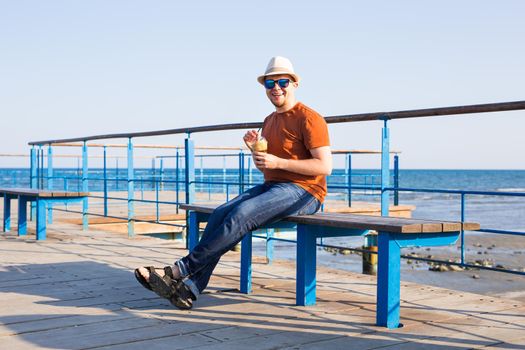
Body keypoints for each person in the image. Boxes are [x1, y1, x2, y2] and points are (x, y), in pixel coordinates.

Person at [135, 56, 332, 309]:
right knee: (220, 213)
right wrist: (254, 151)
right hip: (275, 187)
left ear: (294, 84)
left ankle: (176, 270)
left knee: (242, 214)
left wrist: (277, 163)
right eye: (270, 83)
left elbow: (324, 166)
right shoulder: (269, 121)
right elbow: (267, 166)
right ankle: (190, 288)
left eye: (282, 81)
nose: (276, 88)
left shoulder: (309, 118)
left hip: (306, 191)